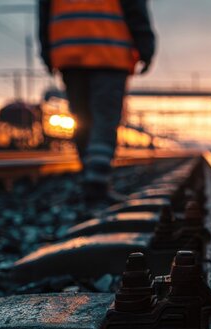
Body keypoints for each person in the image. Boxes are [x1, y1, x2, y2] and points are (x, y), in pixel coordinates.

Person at [39, 0, 155, 202]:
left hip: (69, 50)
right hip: (109, 49)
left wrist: (47, 49)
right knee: (104, 119)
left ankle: (89, 176)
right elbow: (135, 7)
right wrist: (146, 45)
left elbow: (44, 10)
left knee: (81, 118)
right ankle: (96, 182)